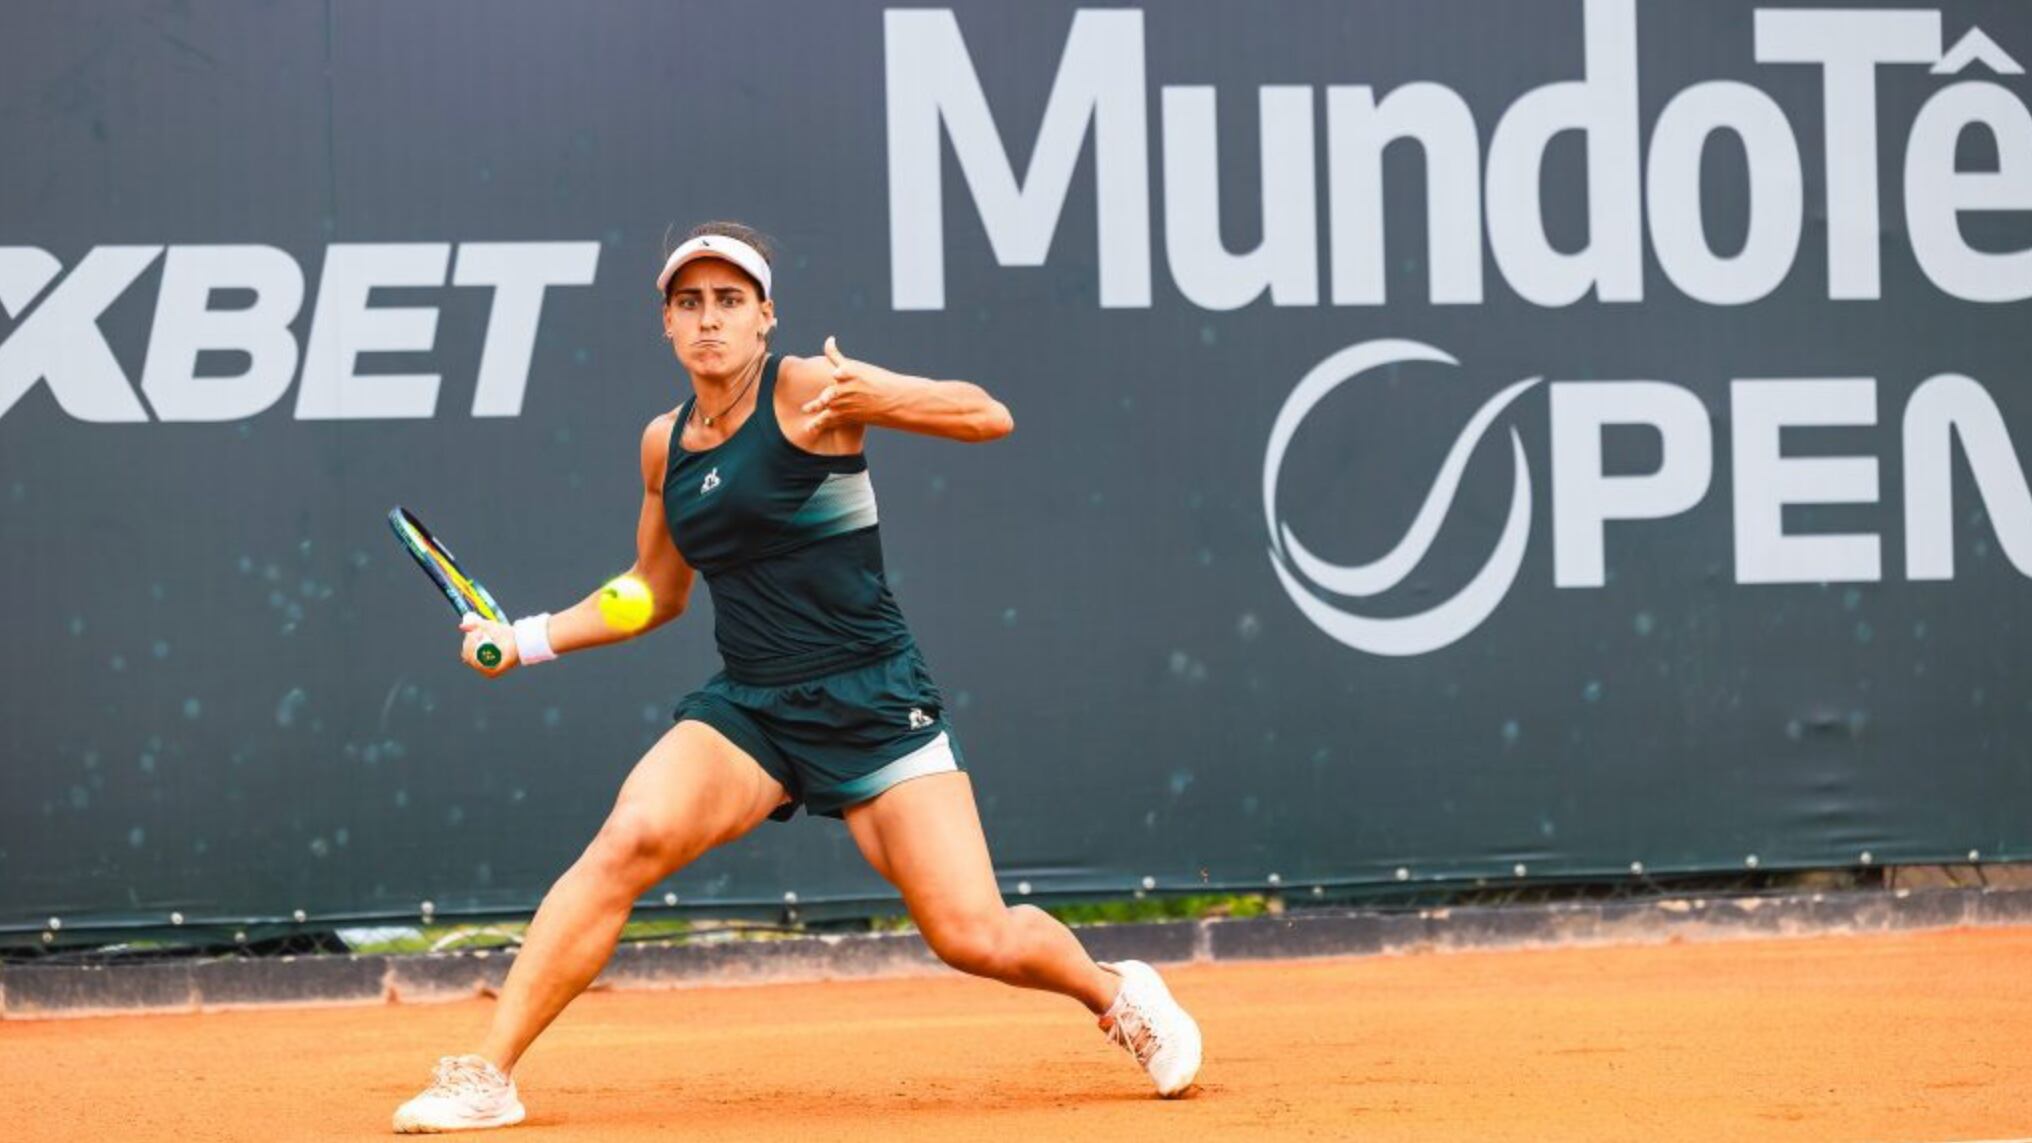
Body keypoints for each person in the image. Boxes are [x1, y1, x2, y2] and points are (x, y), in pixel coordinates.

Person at [392, 222, 1202, 1133]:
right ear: (665, 323)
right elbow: (651, 593)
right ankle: (489, 1073)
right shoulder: (665, 445)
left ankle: (1116, 993)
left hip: (873, 698)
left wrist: (879, 390)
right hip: (753, 708)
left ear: (766, 317)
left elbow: (987, 414)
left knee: (972, 933)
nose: (709, 321)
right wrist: (528, 637)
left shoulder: (814, 391)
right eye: (689, 303)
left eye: (729, 301)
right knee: (629, 837)